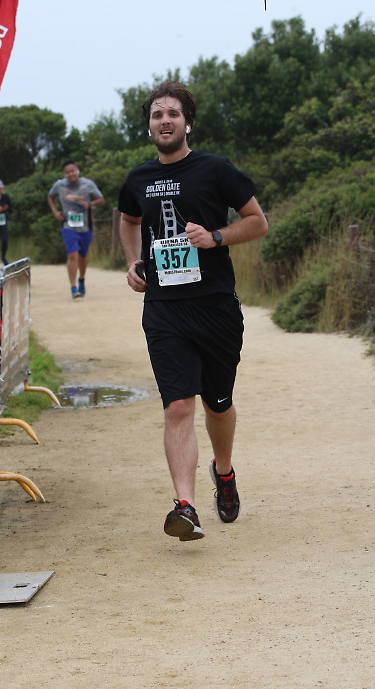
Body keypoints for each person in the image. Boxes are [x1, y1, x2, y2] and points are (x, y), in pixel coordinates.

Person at [118, 81, 268, 542]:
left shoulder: (215, 169)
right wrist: (133, 262)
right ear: (149, 126)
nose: (165, 120)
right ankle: (185, 506)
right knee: (178, 406)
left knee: (217, 404)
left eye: (173, 113)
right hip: (164, 309)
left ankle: (224, 471)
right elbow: (129, 219)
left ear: (188, 123)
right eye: (157, 114)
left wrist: (216, 237)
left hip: (215, 306)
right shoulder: (138, 179)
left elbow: (258, 222)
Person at [47, 160, 105, 299]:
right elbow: (50, 196)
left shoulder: (88, 184)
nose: (71, 174)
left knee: (83, 256)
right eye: (67, 172)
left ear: (77, 171)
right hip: (68, 226)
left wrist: (89, 204)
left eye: (73, 171)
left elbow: (101, 200)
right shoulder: (59, 185)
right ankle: (73, 288)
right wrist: (55, 212)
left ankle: (81, 280)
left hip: (85, 226)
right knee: (72, 255)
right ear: (64, 174)